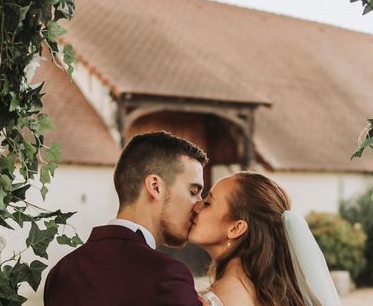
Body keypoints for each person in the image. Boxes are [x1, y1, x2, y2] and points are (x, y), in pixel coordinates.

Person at [44, 131, 208, 306]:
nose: (199, 205)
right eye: (193, 192)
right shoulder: (167, 275)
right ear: (155, 187)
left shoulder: (61, 272)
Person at [189, 171, 341, 306]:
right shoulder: (281, 296)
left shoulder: (212, 301)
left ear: (236, 228)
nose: (196, 207)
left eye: (207, 203)